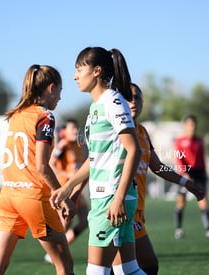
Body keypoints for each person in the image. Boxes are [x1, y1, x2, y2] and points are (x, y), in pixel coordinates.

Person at [51, 47, 146, 275]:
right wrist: (67, 188)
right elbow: (95, 159)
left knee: (96, 272)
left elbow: (134, 150)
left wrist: (119, 197)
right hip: (108, 197)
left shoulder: (113, 102)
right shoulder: (96, 107)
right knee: (128, 270)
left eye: (79, 69)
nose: (74, 76)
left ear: (97, 71)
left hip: (112, 198)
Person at [0, 64, 75, 275]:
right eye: (60, 92)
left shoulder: (16, 115)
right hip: (32, 197)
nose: (60, 98)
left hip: (8, 196)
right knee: (65, 266)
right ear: (51, 88)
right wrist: (63, 197)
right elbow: (42, 167)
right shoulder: (45, 117)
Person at [112, 83, 205, 274]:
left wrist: (185, 182)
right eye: (129, 97)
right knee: (133, 267)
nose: (134, 101)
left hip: (137, 211)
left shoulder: (142, 132)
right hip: (119, 208)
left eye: (138, 97)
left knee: (143, 266)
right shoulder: (113, 130)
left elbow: (157, 166)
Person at [44, 118, 89, 264]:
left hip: (76, 189)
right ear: (65, 132)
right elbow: (51, 164)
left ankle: (61, 248)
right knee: (65, 223)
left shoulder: (80, 146)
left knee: (84, 220)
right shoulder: (62, 145)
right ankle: (54, 253)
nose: (75, 131)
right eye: (72, 129)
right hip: (64, 189)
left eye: (76, 128)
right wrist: (67, 175)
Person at [173, 115, 209, 239]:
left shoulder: (199, 141)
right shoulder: (179, 141)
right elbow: (178, 158)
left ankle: (208, 229)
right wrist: (184, 172)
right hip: (186, 173)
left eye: (194, 125)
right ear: (185, 126)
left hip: (199, 173)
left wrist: (204, 172)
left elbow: (201, 158)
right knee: (181, 200)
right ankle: (178, 228)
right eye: (190, 125)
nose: (192, 127)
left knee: (203, 199)